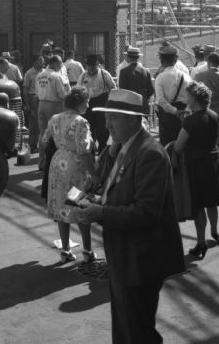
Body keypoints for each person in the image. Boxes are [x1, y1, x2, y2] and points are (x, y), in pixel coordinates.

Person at [76, 89, 185, 344]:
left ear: (133, 120)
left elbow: (146, 212)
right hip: (124, 254)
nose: (107, 124)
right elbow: (109, 187)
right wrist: (94, 197)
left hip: (141, 258)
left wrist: (101, 212)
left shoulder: (150, 154)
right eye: (106, 118)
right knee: (126, 326)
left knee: (138, 330)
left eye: (113, 118)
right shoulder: (122, 149)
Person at [41, 86, 98, 263]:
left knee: (62, 206)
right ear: (79, 103)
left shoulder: (55, 118)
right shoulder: (81, 122)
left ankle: (65, 250)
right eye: (86, 102)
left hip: (57, 164)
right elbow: (84, 151)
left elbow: (43, 141)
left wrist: (45, 157)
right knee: (81, 206)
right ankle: (87, 251)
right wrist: (94, 174)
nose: (88, 105)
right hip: (75, 168)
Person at [174, 82, 219, 258]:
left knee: (198, 206)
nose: (187, 99)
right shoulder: (215, 116)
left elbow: (178, 146)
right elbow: (217, 139)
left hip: (197, 164)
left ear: (195, 100)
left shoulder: (191, 120)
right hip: (214, 160)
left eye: (189, 96)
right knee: (212, 201)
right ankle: (214, 230)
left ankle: (200, 242)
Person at [194, 52, 219, 156]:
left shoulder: (199, 76)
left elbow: (193, 94)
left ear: (209, 62)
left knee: (203, 140)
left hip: (203, 112)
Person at [77, 54, 116, 154]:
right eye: (88, 66)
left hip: (102, 103)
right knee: (89, 128)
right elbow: (78, 90)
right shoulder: (82, 76)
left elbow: (113, 88)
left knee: (102, 129)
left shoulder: (104, 74)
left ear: (97, 65)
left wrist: (111, 103)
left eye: (93, 66)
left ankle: (102, 150)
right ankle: (91, 151)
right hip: (88, 105)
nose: (91, 68)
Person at [36, 55, 70, 168]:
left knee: (42, 134)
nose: (61, 65)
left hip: (41, 104)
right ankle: (53, 161)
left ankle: (42, 161)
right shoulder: (56, 76)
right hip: (54, 105)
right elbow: (62, 94)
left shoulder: (39, 75)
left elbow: (36, 93)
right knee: (56, 133)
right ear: (55, 63)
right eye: (60, 63)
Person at [154, 45, 191, 146]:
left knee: (167, 146)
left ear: (161, 60)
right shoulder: (186, 76)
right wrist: (185, 112)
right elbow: (191, 98)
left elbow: (160, 100)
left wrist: (175, 111)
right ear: (175, 60)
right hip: (183, 115)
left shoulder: (160, 77)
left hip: (167, 116)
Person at [118, 46, 155, 115]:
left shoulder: (123, 71)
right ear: (138, 57)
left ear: (128, 57)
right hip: (143, 106)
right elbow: (151, 91)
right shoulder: (146, 71)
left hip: (129, 107)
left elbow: (122, 90)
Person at [23, 55, 45, 152]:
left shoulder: (45, 72)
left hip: (43, 98)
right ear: (35, 62)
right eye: (41, 60)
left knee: (43, 122)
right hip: (33, 99)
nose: (43, 62)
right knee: (33, 124)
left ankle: (43, 144)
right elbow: (25, 89)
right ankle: (32, 145)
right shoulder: (29, 73)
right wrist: (27, 104)